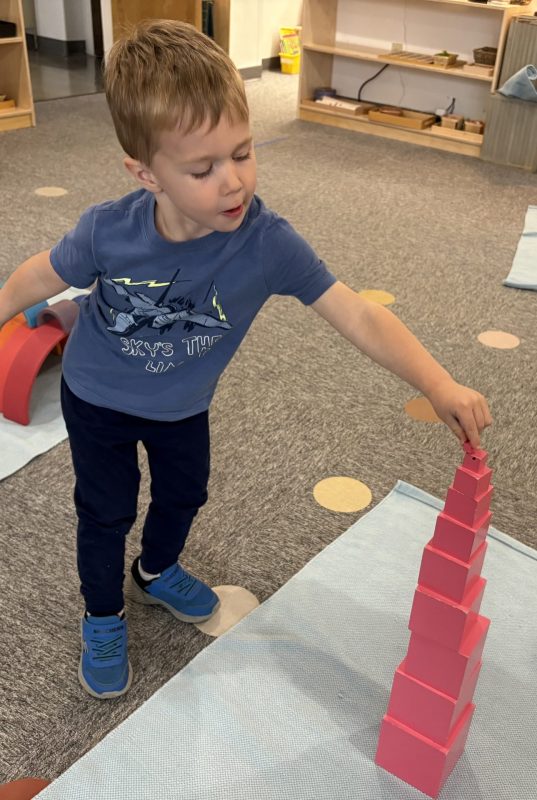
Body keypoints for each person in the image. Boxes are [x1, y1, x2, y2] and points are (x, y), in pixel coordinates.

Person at [0, 20, 492, 700]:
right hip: (97, 400)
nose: (233, 182)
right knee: (105, 513)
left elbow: (357, 313)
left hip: (182, 407)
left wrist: (437, 382)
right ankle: (103, 615)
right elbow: (38, 276)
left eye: (243, 152)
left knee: (184, 494)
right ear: (146, 174)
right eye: (202, 169)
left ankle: (155, 571)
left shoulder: (266, 242)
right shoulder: (106, 231)